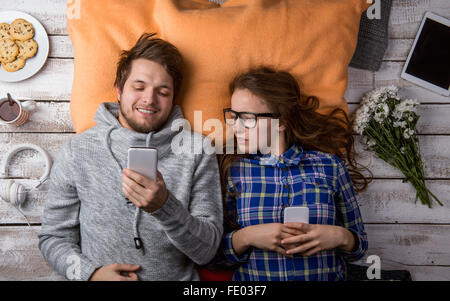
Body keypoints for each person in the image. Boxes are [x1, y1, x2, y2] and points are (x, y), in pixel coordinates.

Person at [38, 33, 223, 281]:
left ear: (173, 99)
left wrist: (164, 207)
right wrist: (90, 275)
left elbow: (207, 251)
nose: (149, 98)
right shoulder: (78, 151)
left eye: (163, 91)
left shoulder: (197, 150)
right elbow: (54, 239)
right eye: (139, 87)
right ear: (118, 90)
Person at [218, 67, 369, 281]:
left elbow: (360, 246)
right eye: (233, 116)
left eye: (249, 118)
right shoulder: (235, 172)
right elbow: (215, 255)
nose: (237, 127)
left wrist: (338, 236)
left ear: (281, 122)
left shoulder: (330, 167)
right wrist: (248, 236)